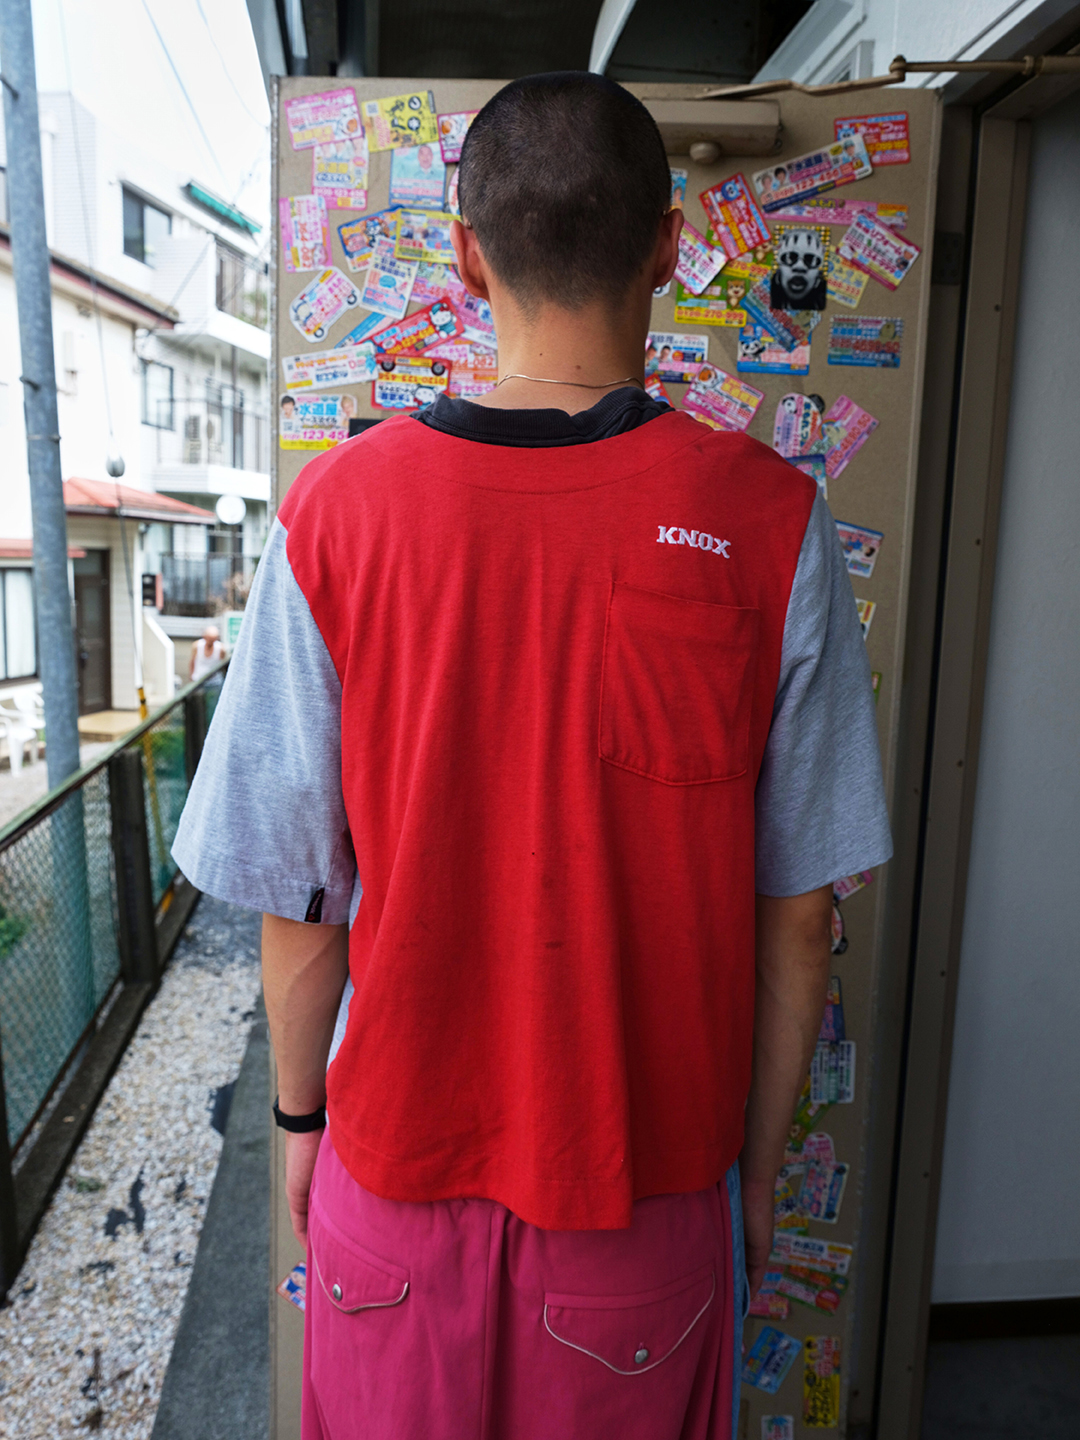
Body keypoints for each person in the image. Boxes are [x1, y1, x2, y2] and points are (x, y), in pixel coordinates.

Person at [173, 72, 890, 1440]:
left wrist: (299, 1125)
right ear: (670, 247)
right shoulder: (772, 524)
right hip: (647, 1206)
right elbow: (799, 919)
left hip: (392, 1187)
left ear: (464, 257)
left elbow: (302, 901)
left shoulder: (336, 516)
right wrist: (754, 1173)